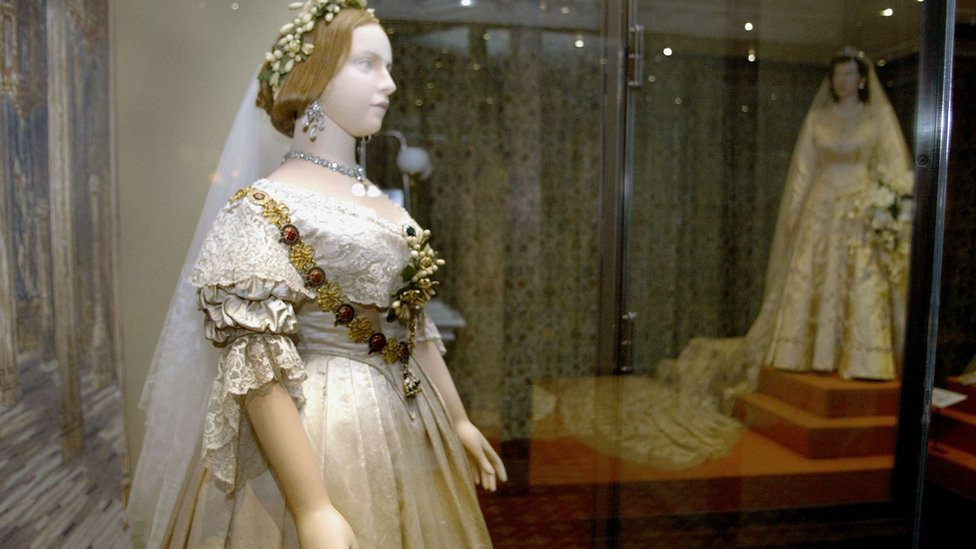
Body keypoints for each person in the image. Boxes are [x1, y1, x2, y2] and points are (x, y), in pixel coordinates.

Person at [127, 2, 504, 548]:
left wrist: (461, 421)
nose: (391, 84)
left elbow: (413, 326)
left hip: (408, 423)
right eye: (368, 64)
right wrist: (312, 507)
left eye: (389, 66)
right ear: (316, 75)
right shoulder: (263, 207)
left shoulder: (381, 201)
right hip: (323, 432)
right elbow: (256, 367)